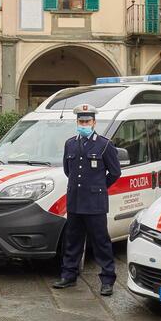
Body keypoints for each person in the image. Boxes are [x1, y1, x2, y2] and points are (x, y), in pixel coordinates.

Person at [52, 104, 122, 296]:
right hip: (75, 202)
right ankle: (68, 275)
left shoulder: (104, 144)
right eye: (81, 121)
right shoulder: (70, 144)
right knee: (72, 241)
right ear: (77, 122)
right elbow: (68, 170)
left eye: (87, 121)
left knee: (101, 243)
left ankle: (107, 280)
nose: (84, 124)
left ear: (94, 123)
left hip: (95, 204)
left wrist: (99, 187)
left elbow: (115, 172)